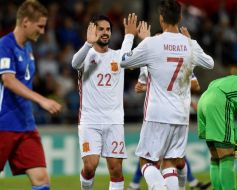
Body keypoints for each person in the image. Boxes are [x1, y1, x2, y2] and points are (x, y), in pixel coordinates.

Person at [120, 0, 214, 189]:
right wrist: (190, 42)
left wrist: (130, 36)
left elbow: (123, 61)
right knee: (170, 162)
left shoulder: (152, 43)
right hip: (181, 116)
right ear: (180, 17)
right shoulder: (189, 44)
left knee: (146, 162)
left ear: (161, 18)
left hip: (157, 114)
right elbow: (210, 63)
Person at [71, 14, 139, 190]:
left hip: (114, 121)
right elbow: (74, 63)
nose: (105, 32)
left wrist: (130, 35)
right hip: (90, 120)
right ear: (93, 30)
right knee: (90, 165)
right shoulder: (86, 56)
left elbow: (127, 53)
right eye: (101, 28)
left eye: (108, 29)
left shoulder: (117, 56)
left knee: (116, 169)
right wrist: (87, 43)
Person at [0, 1, 62, 190]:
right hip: (3, 123)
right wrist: (42, 100)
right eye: (40, 26)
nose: (43, 31)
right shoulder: (5, 45)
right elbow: (8, 80)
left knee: (41, 179)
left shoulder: (27, 48)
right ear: (26, 22)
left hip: (26, 124)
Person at [128, 71, 211, 190]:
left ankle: (136, 184)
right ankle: (189, 183)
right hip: (168, 116)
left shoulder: (157, 60)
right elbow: (194, 84)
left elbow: (194, 85)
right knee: (157, 158)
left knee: (151, 158)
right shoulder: (179, 59)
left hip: (160, 117)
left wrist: (147, 87)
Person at [198, 75, 237, 190]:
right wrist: (235, 146)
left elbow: (214, 82)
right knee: (227, 156)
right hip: (219, 101)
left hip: (204, 99)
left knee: (216, 157)